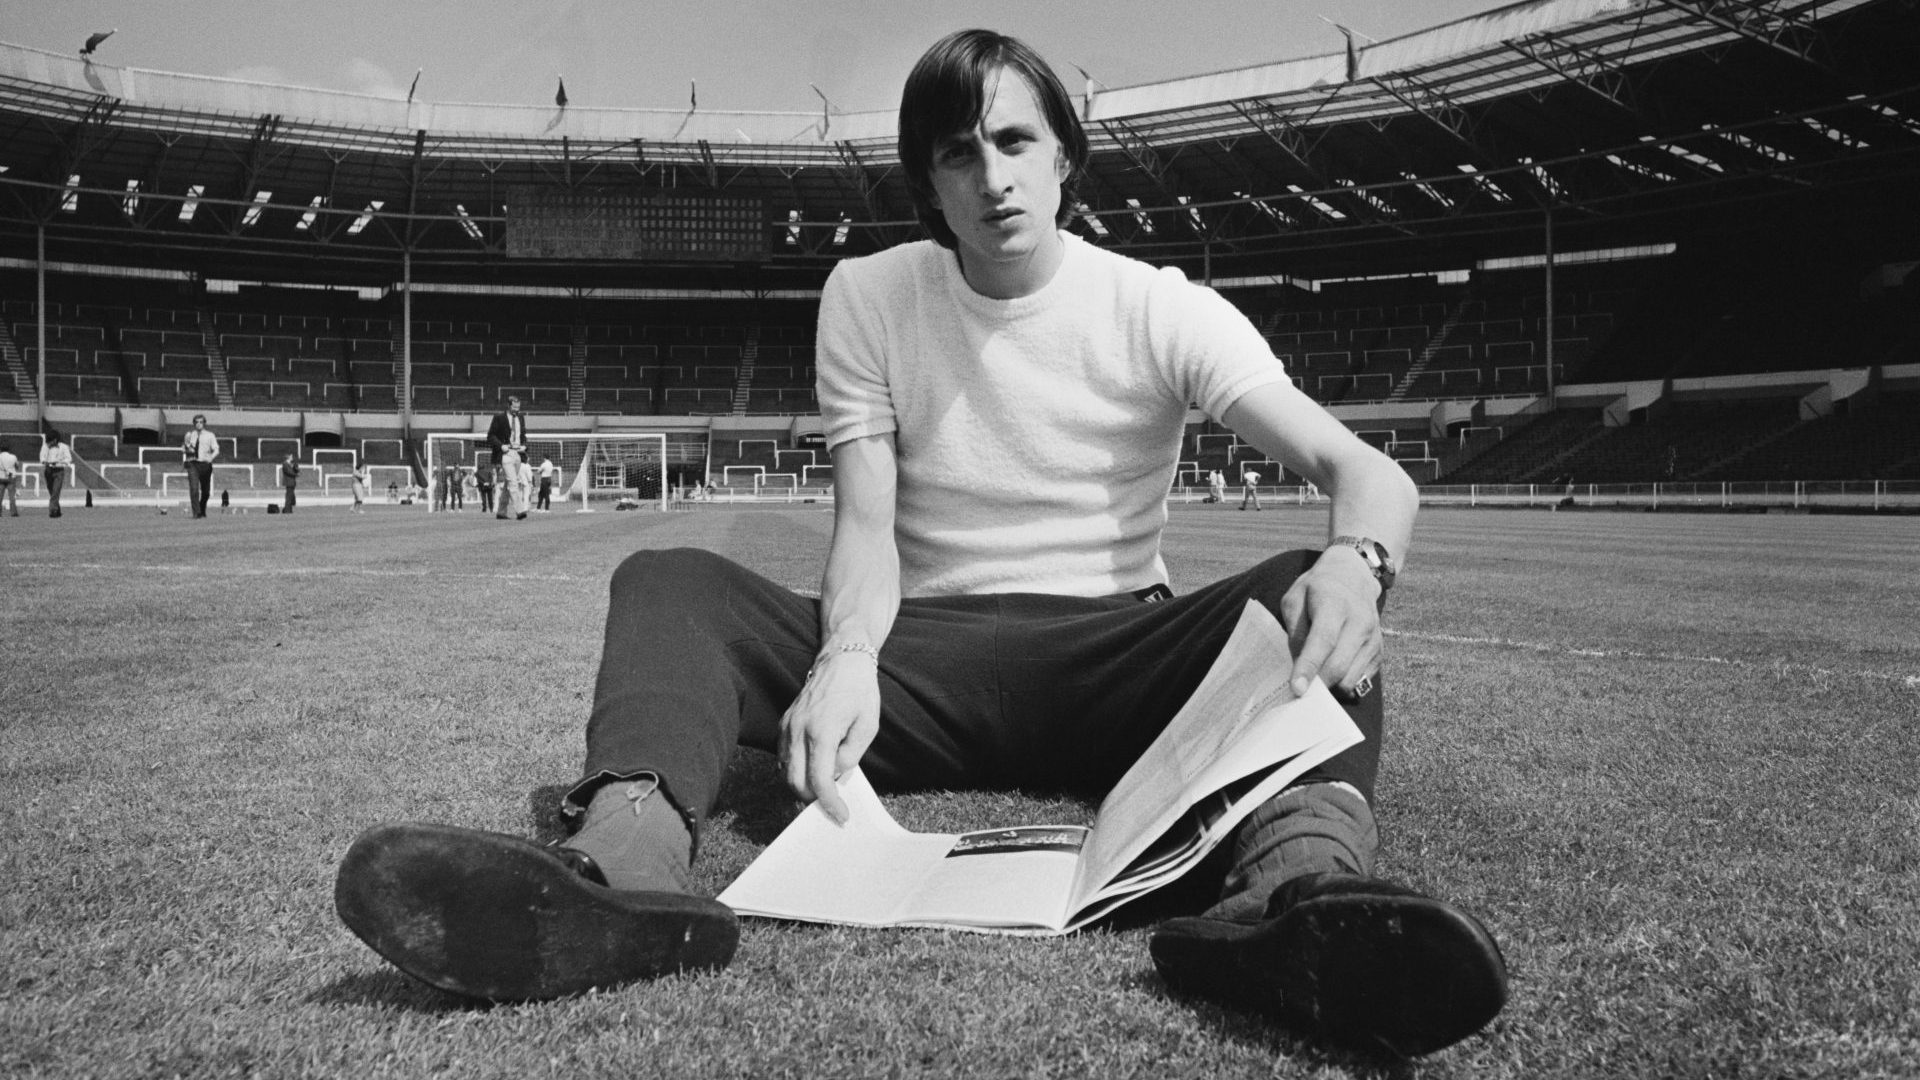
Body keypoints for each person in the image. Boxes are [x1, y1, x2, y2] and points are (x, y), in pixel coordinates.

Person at [335, 30, 1506, 1060]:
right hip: (918, 665)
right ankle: (623, 875)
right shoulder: (869, 295)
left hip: (1120, 663)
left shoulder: (1160, 307)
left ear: (1063, 159)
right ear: (929, 187)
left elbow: (1369, 476)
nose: (992, 175)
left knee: (1314, 581)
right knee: (669, 580)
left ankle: (1303, 903)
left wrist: (1363, 563)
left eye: (1013, 140)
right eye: (958, 153)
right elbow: (867, 525)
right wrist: (845, 655)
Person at [487, 396, 529, 520]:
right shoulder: (499, 418)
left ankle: (501, 512)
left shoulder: (521, 417)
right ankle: (520, 511)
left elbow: (523, 435)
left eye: (518, 407)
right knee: (513, 482)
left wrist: (524, 446)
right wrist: (501, 446)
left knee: (508, 483)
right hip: (505, 454)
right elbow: (490, 436)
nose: (517, 410)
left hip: (518, 454)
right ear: (509, 406)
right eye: (515, 407)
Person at [181, 414, 219, 519]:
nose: (198, 424)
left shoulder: (210, 435)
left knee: (206, 492)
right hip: (193, 464)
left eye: (201, 422)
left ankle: (202, 509)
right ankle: (196, 513)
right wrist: (186, 448)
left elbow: (216, 449)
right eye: (196, 422)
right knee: (194, 489)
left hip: (205, 465)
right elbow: (184, 449)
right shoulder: (190, 435)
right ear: (194, 424)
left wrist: (211, 457)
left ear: (204, 423)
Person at [40, 430, 72, 518]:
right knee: (51, 491)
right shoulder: (45, 446)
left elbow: (68, 459)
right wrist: (45, 461)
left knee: (56, 491)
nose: (49, 442)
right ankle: (57, 509)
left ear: (55, 439)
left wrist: (58, 462)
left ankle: (52, 510)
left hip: (59, 470)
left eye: (51, 440)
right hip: (48, 470)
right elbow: (42, 457)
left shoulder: (64, 447)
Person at [0, 444, 18, 517]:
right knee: (12, 496)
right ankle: (13, 512)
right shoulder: (13, 457)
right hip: (11, 477)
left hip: (0, 477)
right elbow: (17, 466)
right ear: (9, 449)